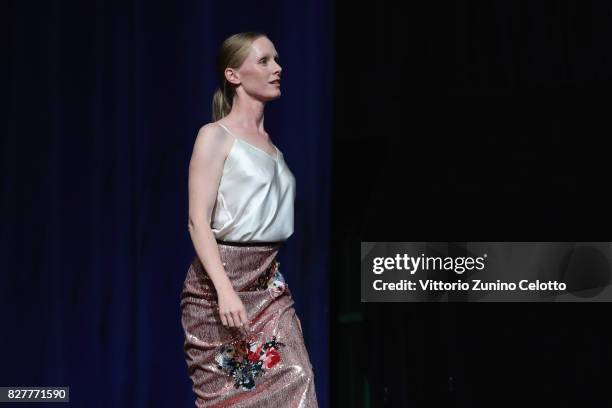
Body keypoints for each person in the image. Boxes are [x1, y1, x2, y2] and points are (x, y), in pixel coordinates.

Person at [180, 32, 319, 407]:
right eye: (264, 61)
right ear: (234, 75)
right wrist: (225, 290)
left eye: (276, 59)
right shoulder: (215, 136)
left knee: (299, 379)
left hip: (269, 284)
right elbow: (197, 221)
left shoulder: (274, 148)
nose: (277, 68)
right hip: (217, 286)